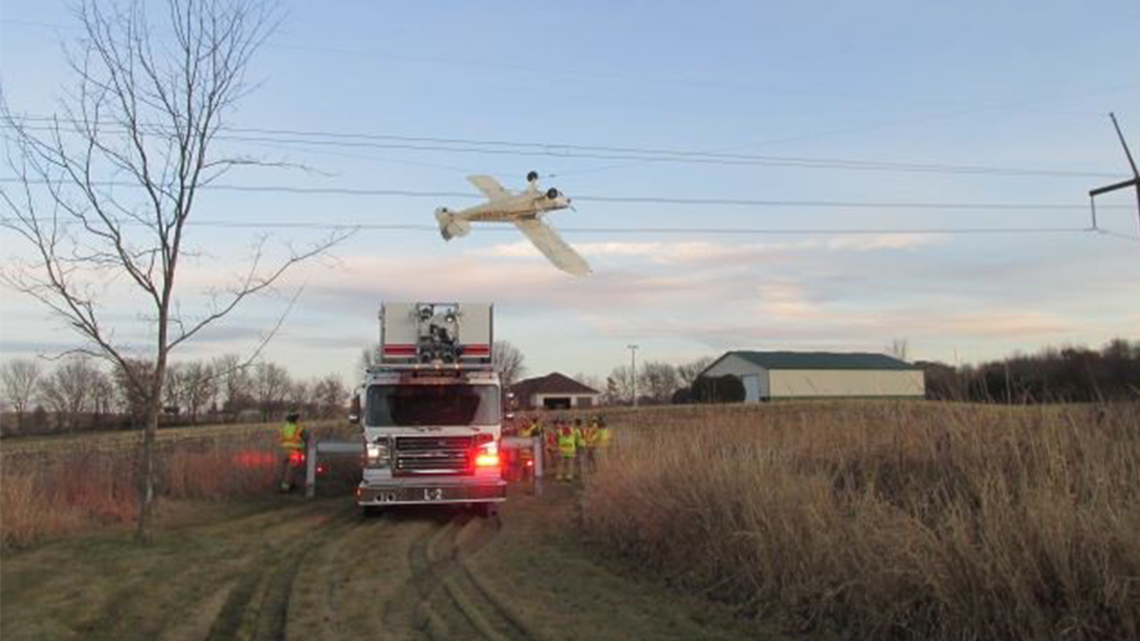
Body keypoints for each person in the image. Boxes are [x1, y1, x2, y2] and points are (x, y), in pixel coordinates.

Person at [277, 408, 308, 492]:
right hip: (294, 452)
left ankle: (284, 484)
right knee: (292, 470)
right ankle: (285, 488)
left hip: (283, 451)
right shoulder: (299, 428)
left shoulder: (284, 427)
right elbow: (307, 438)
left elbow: (280, 438)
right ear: (296, 419)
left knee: (284, 469)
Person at [556, 417, 579, 482]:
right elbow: (576, 439)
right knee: (569, 463)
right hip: (570, 449)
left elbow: (557, 439)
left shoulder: (559, 431)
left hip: (563, 449)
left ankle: (560, 475)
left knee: (562, 463)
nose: (566, 425)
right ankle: (568, 476)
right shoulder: (574, 431)